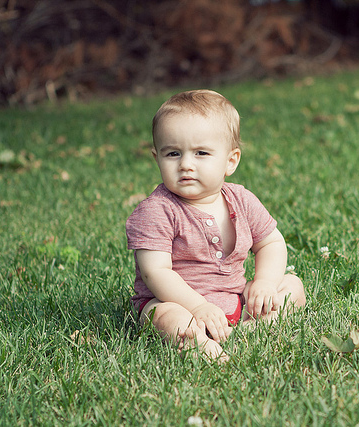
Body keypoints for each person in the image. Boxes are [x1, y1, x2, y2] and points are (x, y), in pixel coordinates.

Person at [126, 89, 306, 361]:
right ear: (157, 158)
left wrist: (265, 283)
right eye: (173, 154)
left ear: (230, 161)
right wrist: (198, 306)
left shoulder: (241, 200)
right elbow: (156, 273)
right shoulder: (157, 210)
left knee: (293, 286)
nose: (186, 164)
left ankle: (249, 329)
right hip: (178, 303)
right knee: (166, 317)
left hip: (235, 297)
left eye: (201, 153)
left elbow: (271, 242)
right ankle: (202, 345)